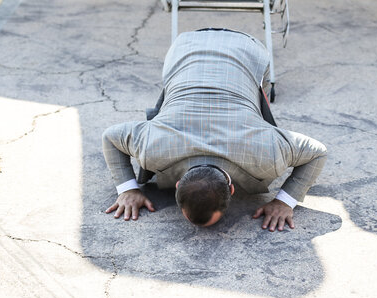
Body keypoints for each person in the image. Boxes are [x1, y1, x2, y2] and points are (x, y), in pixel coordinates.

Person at [102, 29, 327, 231]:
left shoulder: (265, 152)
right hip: (189, 47)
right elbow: (110, 137)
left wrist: (285, 202)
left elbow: (317, 151)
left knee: (259, 95)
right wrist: (127, 189)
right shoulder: (154, 145)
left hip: (232, 48)